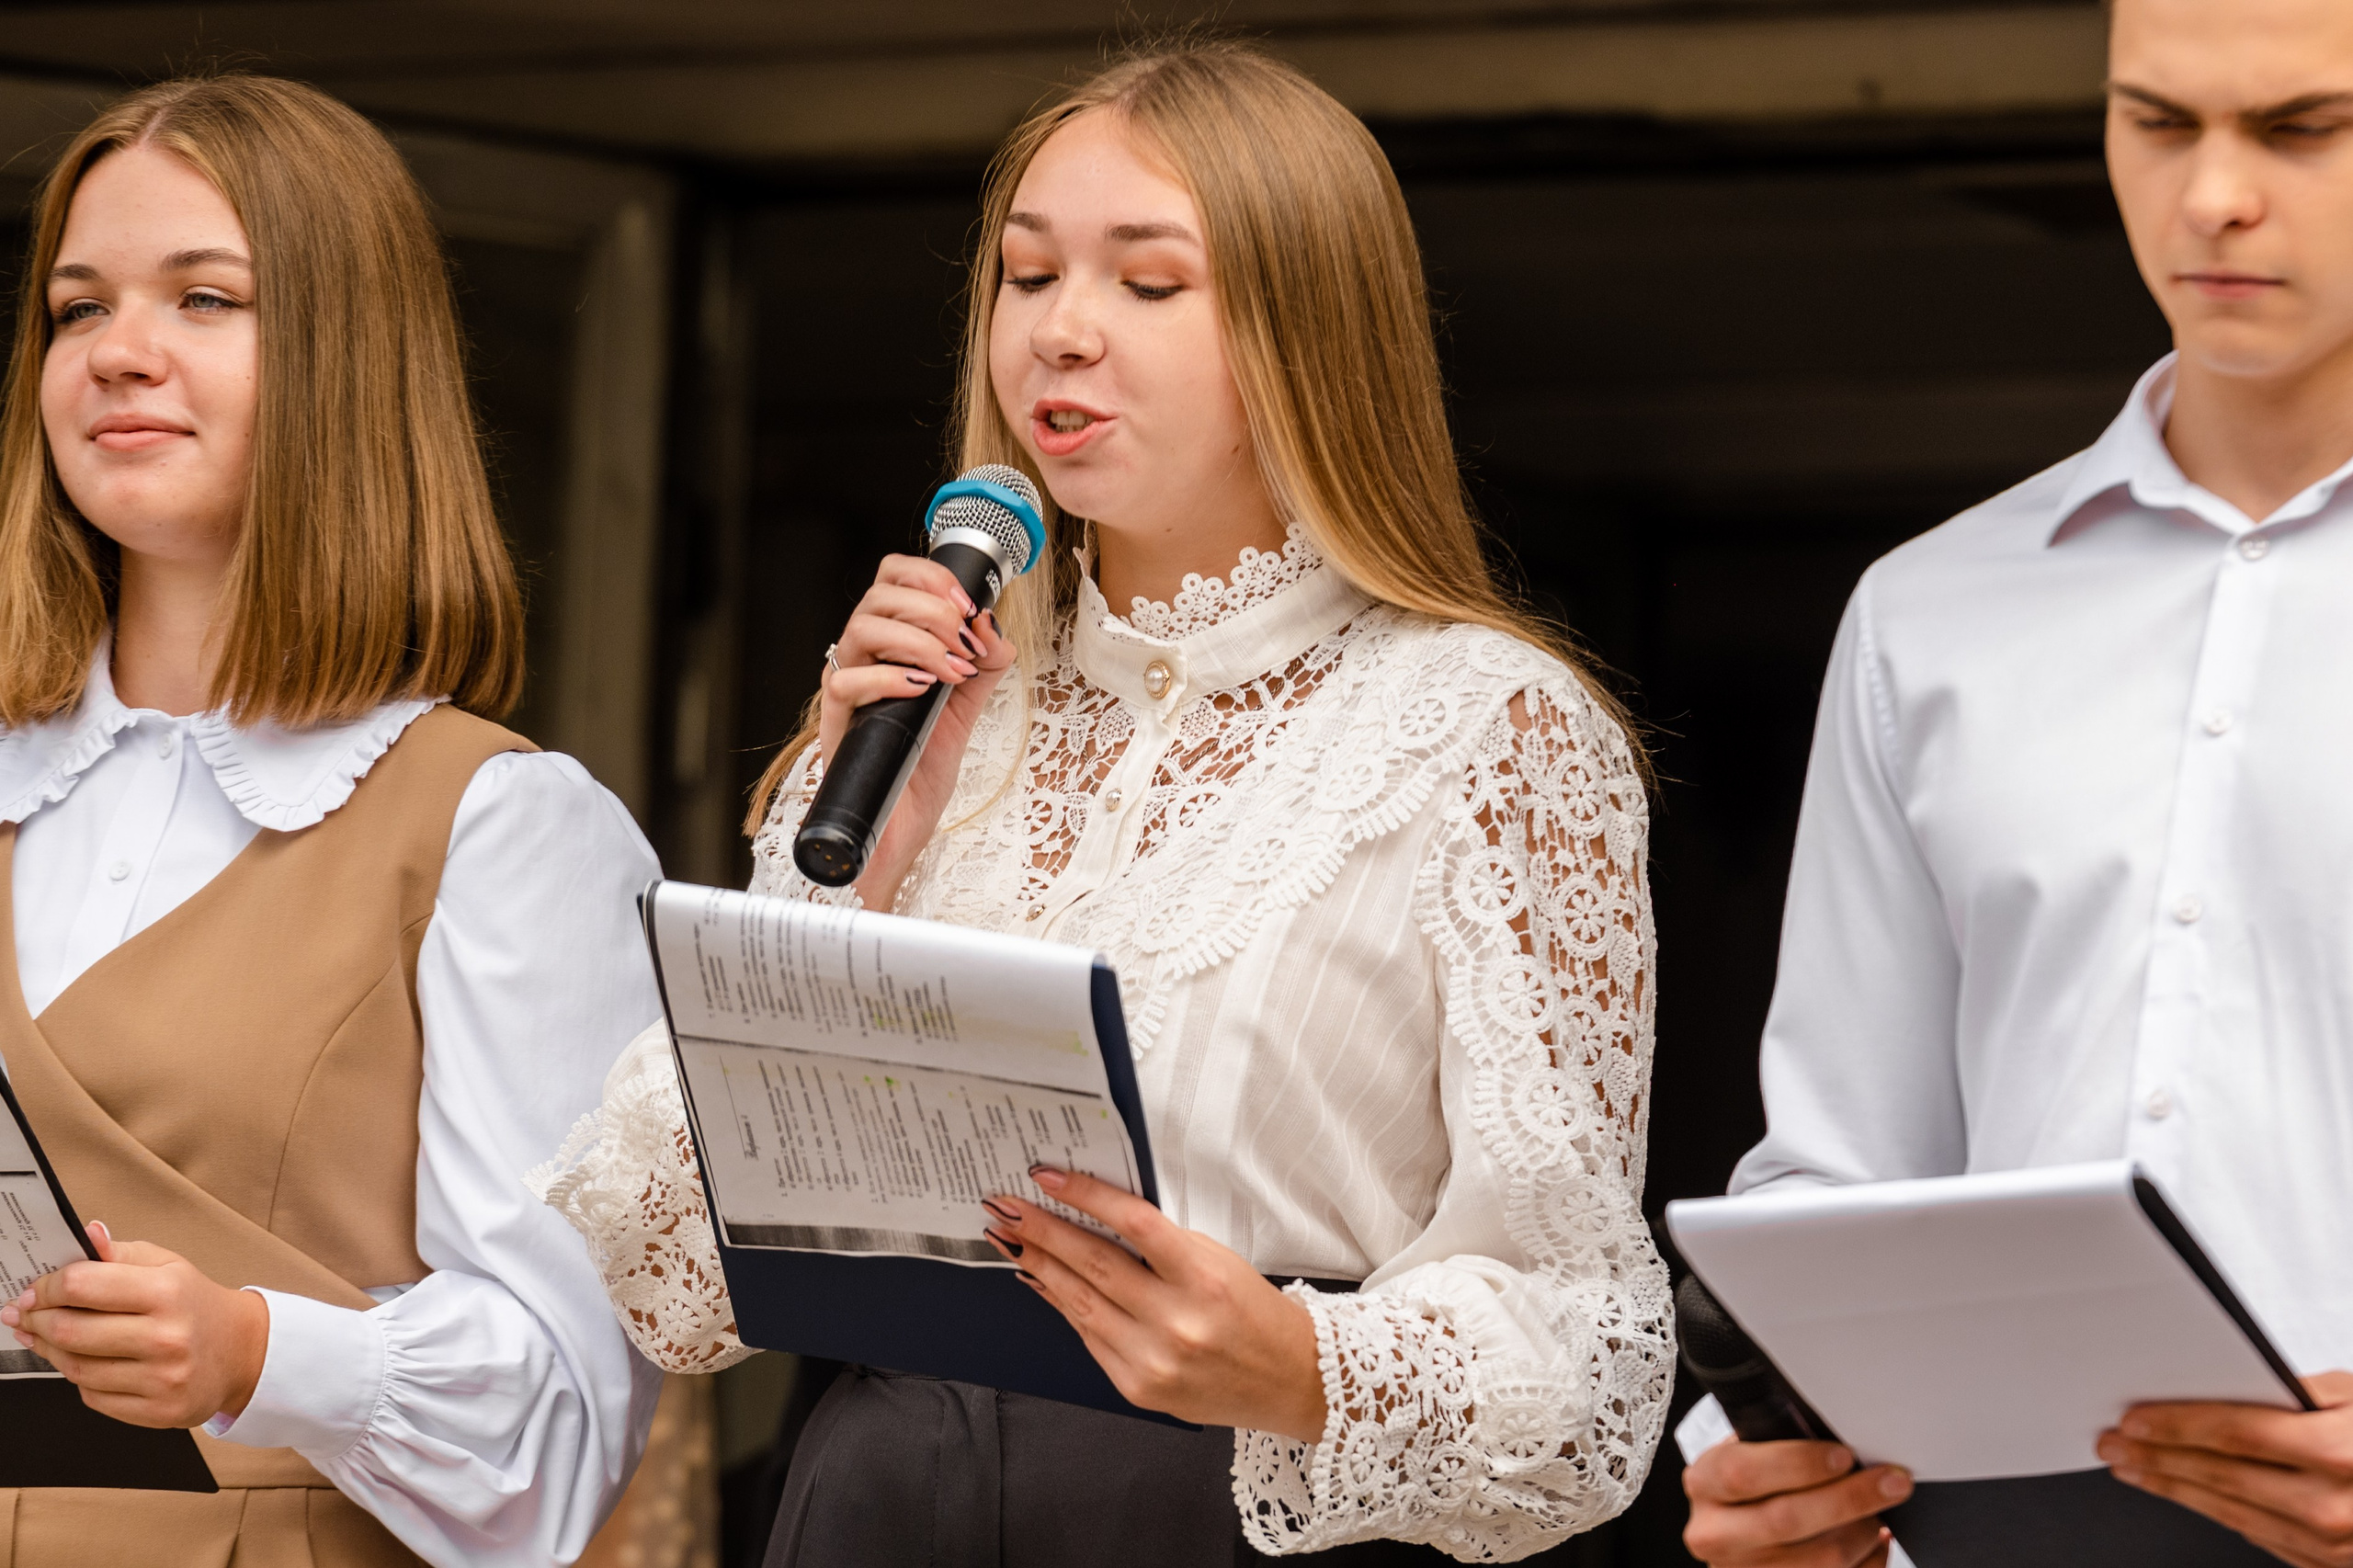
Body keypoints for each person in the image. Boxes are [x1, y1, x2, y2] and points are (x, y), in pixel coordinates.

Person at [536, 40, 1672, 1565]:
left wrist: (1298, 1363)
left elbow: (1592, 1352)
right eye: (1024, 276)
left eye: (1147, 284)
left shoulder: (1487, 727)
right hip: (877, 1495)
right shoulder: (930, 698)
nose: (1061, 332)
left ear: (1307, 332)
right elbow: (669, 1281)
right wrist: (849, 868)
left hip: (1230, 1508)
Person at [1679, 0, 2353, 1564]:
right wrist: (1761, 1461)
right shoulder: (1931, 612)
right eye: (2160, 121)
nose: (2212, 198)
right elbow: (1841, 1167)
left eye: (2303, 128)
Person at [0, 75, 661, 1566]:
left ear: (349, 359)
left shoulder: (494, 827)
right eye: (78, 307)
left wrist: (256, 1352)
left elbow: (562, 1446)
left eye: (206, 299)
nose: (121, 353)